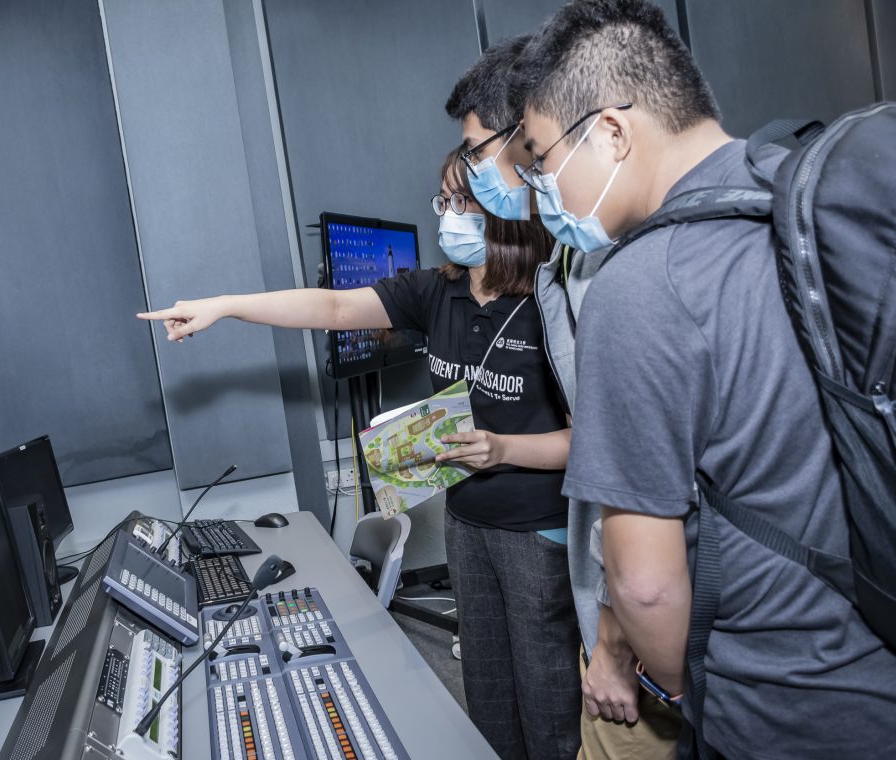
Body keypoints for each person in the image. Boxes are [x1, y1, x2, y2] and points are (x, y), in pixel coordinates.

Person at [516, 1, 896, 757]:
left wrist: (685, 691)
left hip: (780, 706)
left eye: (540, 155)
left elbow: (645, 585)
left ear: (612, 133)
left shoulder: (642, 285)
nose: (540, 186)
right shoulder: (799, 192)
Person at [138, 149, 581, 760]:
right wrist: (225, 306)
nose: (448, 215)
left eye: (464, 202)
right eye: (444, 202)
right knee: (486, 698)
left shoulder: (550, 300)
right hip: (467, 522)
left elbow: (592, 440)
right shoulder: (434, 291)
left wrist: (503, 448)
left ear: (506, 209)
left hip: (538, 530)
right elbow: (334, 306)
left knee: (548, 700)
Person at [447, 35, 681, 758]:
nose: (512, 174)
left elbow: (630, 457)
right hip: (625, 595)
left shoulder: (626, 266)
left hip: (656, 611)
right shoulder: (571, 260)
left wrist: (615, 638)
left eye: (490, 153)